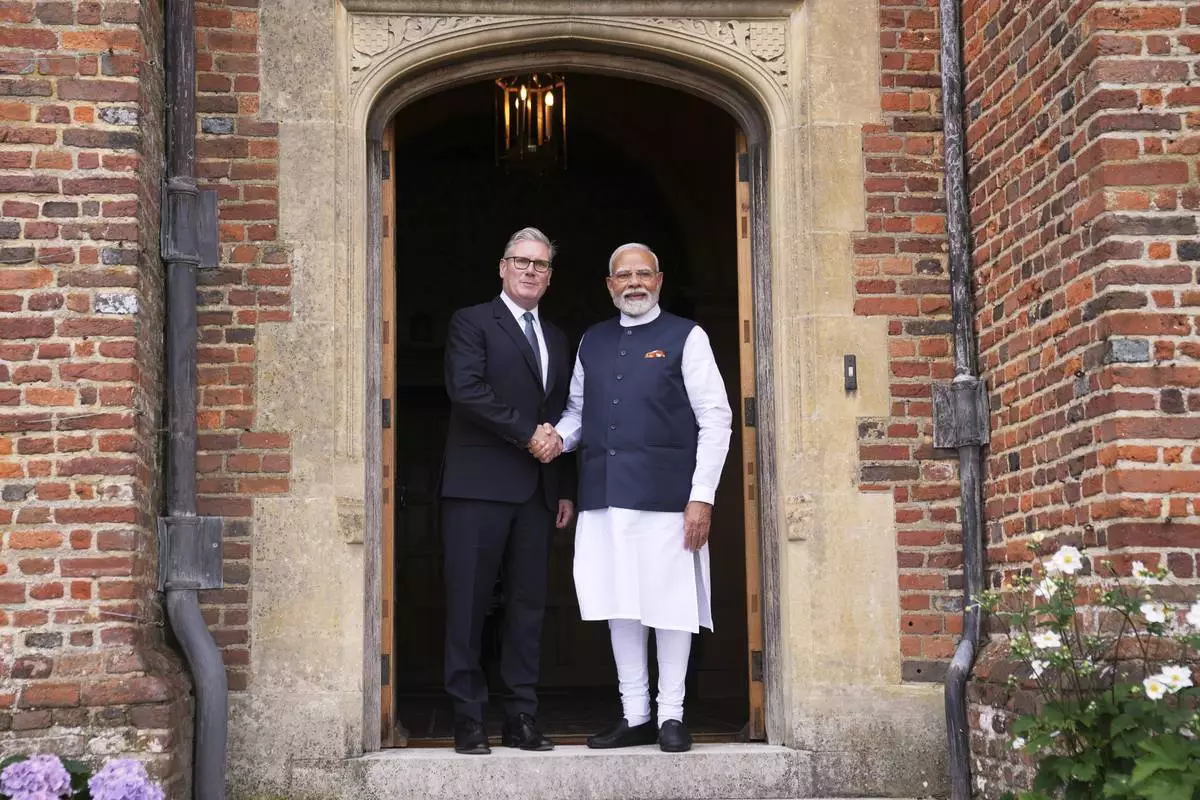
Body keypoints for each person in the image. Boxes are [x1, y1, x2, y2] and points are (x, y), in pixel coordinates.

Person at [532, 242, 732, 753]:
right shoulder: (592, 341)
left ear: (659, 281)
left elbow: (716, 418)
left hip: (670, 498)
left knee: (670, 604)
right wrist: (557, 438)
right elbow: (578, 412)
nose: (635, 283)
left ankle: (671, 715)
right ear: (610, 285)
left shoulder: (688, 337)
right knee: (619, 603)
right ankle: (635, 713)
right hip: (604, 496)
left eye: (644, 274)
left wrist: (702, 497)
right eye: (624, 276)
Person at [440, 227, 575, 755]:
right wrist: (527, 434)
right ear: (502, 267)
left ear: (550, 277)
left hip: (538, 492)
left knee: (528, 608)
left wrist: (564, 487)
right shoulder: (472, 321)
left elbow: (563, 412)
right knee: (468, 604)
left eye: (540, 265)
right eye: (521, 261)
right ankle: (468, 718)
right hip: (477, 487)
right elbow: (467, 390)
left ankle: (521, 717)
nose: (530, 271)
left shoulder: (557, 337)